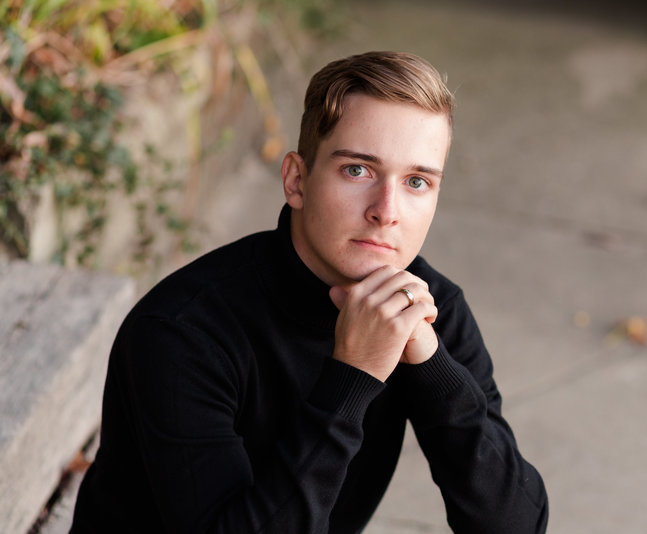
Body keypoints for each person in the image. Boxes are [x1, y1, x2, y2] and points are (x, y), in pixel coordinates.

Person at [70, 50, 548, 534]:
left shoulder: (429, 309)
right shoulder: (182, 333)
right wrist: (354, 376)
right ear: (296, 180)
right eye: (358, 170)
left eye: (417, 181)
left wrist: (433, 367)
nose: (386, 211)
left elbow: (515, 526)